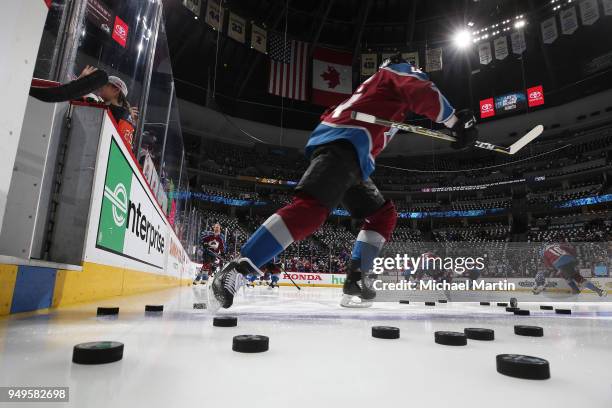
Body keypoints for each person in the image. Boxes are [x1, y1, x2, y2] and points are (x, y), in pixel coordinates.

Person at [209, 53, 478, 310]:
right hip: (345, 143)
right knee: (310, 210)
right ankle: (240, 268)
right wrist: (454, 121)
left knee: (382, 216)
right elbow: (420, 89)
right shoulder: (394, 72)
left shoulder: (378, 94)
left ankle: (355, 280)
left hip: (354, 158)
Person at [78, 65, 139, 146]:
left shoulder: (108, 111)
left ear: (116, 90)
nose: (101, 86)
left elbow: (76, 98)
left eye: (105, 84)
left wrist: (81, 80)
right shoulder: (125, 115)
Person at [534, 242, 606, 297]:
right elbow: (571, 249)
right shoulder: (557, 245)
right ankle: (579, 289)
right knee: (571, 276)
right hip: (571, 259)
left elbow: (548, 265)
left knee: (575, 278)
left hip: (560, 263)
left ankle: (581, 290)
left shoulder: (545, 253)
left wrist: (554, 269)